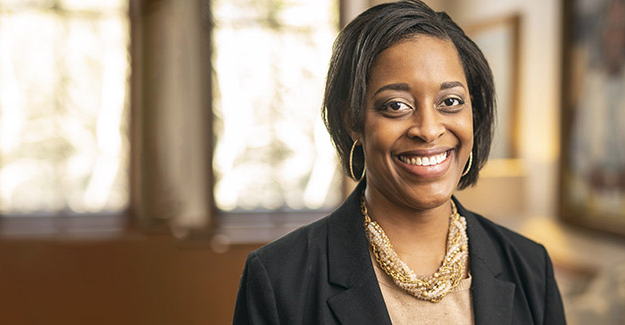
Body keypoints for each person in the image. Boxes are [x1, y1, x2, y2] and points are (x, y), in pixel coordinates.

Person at [233, 1, 566, 324]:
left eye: (450, 101)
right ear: (353, 121)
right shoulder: (278, 278)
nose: (429, 129)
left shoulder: (530, 265)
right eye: (396, 106)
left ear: (473, 114)